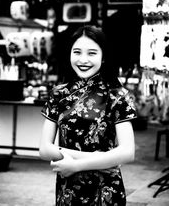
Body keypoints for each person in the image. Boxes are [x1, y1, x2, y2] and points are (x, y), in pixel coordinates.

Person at [39, 25, 137, 205]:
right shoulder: (59, 94)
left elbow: (128, 152)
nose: (83, 60)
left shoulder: (117, 95)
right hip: (68, 190)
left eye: (92, 53)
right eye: (77, 52)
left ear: (104, 57)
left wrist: (76, 165)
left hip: (106, 190)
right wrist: (104, 159)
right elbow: (44, 149)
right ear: (69, 54)